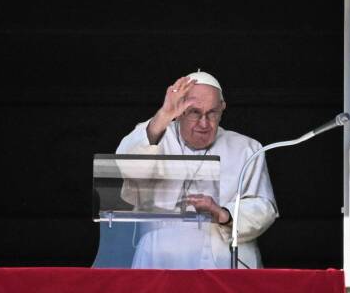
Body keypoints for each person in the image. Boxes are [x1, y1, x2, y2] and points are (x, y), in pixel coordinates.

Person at [116, 71, 277, 269]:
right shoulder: (156, 134)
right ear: (180, 110)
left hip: (223, 262)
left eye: (212, 113)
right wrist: (164, 115)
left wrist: (222, 213)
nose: (204, 123)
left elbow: (264, 207)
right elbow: (124, 165)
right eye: (194, 112)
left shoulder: (246, 148)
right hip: (159, 261)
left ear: (223, 108)